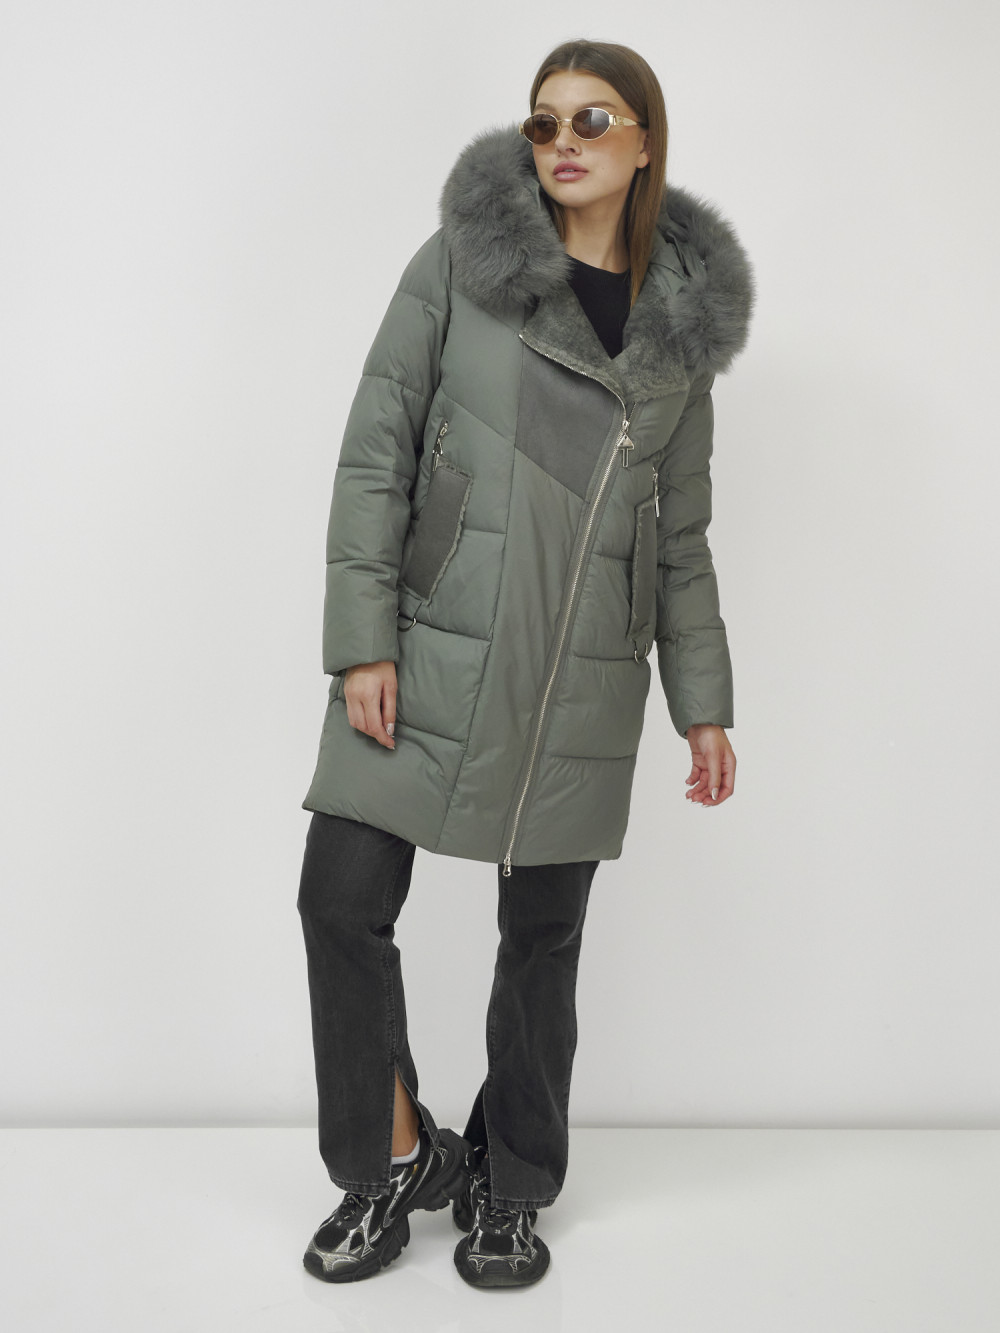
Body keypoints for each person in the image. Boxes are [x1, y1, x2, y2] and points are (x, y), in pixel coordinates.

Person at [295, 38, 755, 1290]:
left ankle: (510, 1181)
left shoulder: (677, 340)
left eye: (593, 120)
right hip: (426, 649)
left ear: (644, 143)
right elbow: (377, 453)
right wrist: (362, 639)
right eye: (544, 120)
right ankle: (392, 1161)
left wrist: (703, 705)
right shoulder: (459, 265)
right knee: (339, 899)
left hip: (581, 672)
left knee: (542, 940)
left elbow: (681, 538)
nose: (562, 141)